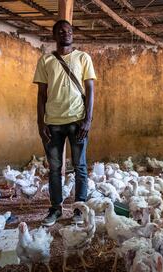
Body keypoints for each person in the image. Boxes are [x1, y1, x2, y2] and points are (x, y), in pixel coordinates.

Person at [33, 20, 96, 226]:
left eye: (69, 31)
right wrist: (40, 123)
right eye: (61, 31)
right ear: (55, 36)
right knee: (54, 168)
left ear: (73, 34)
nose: (66, 33)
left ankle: (79, 209)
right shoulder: (46, 60)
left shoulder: (83, 57)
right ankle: (55, 209)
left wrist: (88, 119)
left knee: (80, 167)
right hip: (53, 123)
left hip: (78, 121)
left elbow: (90, 91)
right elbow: (41, 94)